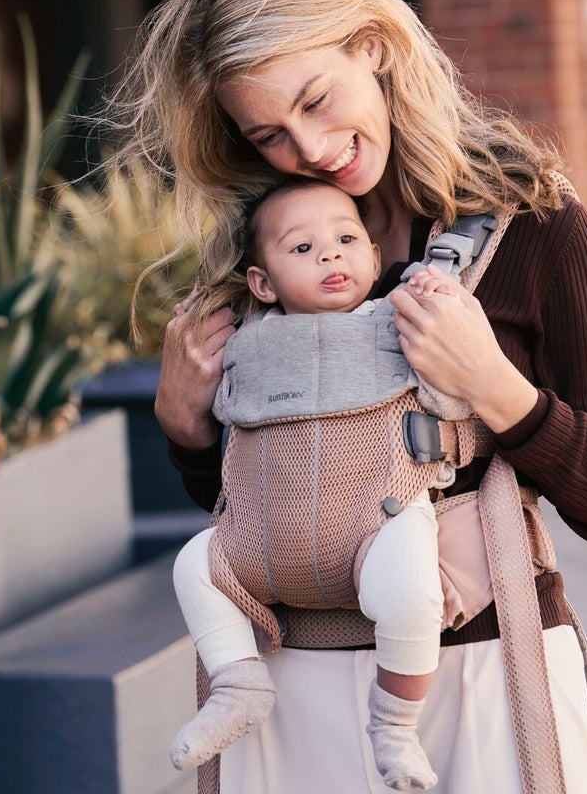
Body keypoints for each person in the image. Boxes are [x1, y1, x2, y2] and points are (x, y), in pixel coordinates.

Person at [104, 0, 587, 791]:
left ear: (372, 46)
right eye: (268, 134)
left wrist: (496, 390)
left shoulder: (538, 230)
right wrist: (185, 428)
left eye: (315, 100)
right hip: (292, 694)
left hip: (483, 679)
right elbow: (250, 508)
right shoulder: (264, 257)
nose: (309, 148)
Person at [171, 177, 464, 790]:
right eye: (300, 249)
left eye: (345, 238)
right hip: (257, 543)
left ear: (375, 257)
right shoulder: (245, 343)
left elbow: (452, 398)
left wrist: (449, 309)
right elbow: (223, 421)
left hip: (372, 526)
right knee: (194, 563)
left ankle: (395, 724)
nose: (329, 253)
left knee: (413, 589)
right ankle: (237, 682)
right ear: (262, 283)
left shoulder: (400, 319)